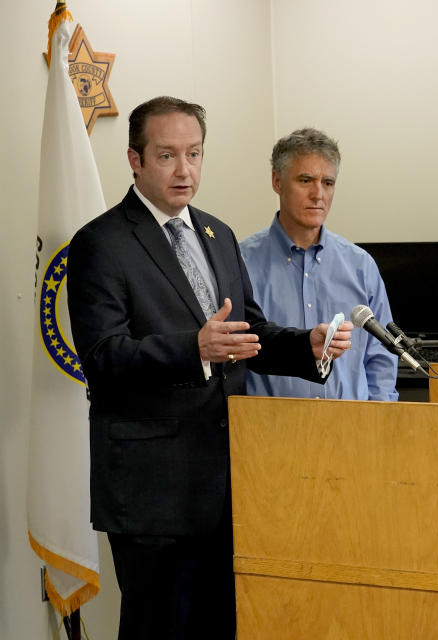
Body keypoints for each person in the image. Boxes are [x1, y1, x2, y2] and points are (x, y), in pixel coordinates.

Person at [66, 96, 354, 640]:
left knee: (223, 625)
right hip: (152, 491)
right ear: (135, 159)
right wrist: (192, 348)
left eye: (194, 153)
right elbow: (103, 357)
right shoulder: (100, 243)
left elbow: (248, 335)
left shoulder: (217, 234)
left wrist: (307, 345)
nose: (185, 169)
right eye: (167, 155)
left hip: (227, 482)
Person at [240, 128, 398, 400]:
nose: (318, 194)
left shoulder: (360, 266)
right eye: (305, 180)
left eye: (328, 183)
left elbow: (381, 358)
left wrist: (378, 425)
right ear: (277, 182)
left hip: (351, 431)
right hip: (268, 432)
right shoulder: (240, 262)